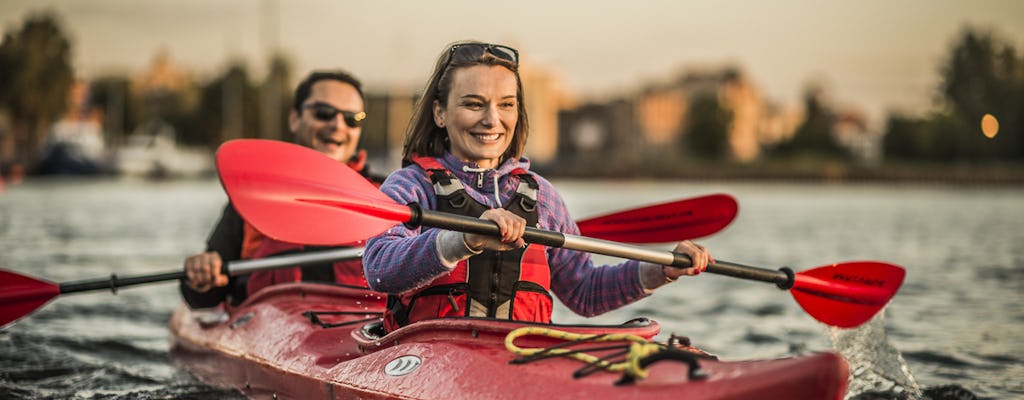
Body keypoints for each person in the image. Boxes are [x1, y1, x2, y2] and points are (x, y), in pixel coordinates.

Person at [363, 41, 712, 332]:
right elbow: (378, 269)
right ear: (440, 113)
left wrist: (661, 270)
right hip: (427, 362)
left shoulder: (542, 197)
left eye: (506, 105)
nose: (491, 119)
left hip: (520, 358)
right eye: (473, 104)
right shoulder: (410, 187)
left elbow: (584, 293)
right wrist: (464, 239)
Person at [181, 70, 379, 309]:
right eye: (323, 113)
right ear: (294, 118)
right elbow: (205, 298)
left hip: (359, 323)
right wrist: (202, 275)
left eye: (352, 119)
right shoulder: (254, 197)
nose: (337, 125)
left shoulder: (386, 197)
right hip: (271, 323)